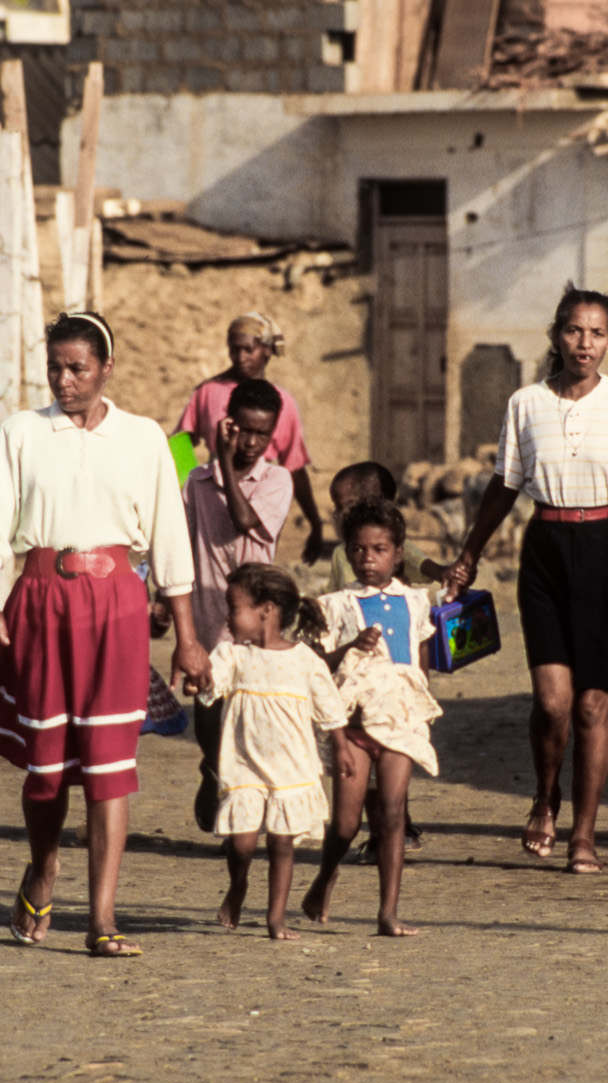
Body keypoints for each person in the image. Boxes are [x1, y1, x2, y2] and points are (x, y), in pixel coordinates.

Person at [0, 310, 211, 957]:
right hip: (40, 603)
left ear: (106, 368)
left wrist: (186, 638)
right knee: (46, 771)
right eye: (55, 367)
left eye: (77, 367)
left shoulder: (143, 437)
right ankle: (43, 867)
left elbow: (170, 540)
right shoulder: (21, 433)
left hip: (118, 610)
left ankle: (102, 917)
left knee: (109, 767)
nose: (64, 379)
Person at [441, 287, 608, 875]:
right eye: (576, 331)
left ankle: (585, 833)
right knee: (552, 704)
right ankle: (545, 797)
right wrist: (469, 552)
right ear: (557, 335)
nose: (585, 344)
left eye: (598, 333)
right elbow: (506, 484)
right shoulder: (526, 402)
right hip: (545, 549)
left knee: (593, 705)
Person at [302, 500, 441, 937]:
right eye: (359, 550)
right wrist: (350, 648)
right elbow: (319, 663)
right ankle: (325, 876)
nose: (368, 559)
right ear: (347, 552)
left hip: (400, 723)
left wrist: (422, 705)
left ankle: (388, 912)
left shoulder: (417, 601)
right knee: (345, 824)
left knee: (393, 813)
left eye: (378, 549)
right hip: (357, 724)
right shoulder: (336, 605)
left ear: (398, 553)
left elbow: (420, 659)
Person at [200, 563, 353, 941]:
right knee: (242, 842)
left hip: (291, 767)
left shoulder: (304, 660)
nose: (227, 616)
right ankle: (238, 885)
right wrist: (193, 678)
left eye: (234, 607)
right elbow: (207, 688)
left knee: (282, 844)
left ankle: (275, 917)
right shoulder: (231, 656)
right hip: (244, 765)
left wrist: (341, 746)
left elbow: (330, 707)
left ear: (266, 610)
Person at [182, 378, 295, 833]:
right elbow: (182, 545)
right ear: (226, 423)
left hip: (257, 627)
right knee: (210, 718)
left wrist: (226, 462)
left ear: (273, 436)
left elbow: (244, 520)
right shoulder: (196, 481)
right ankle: (213, 772)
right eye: (242, 430)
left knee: (253, 717)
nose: (250, 442)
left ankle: (246, 811)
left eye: (261, 435)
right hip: (208, 620)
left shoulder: (277, 480)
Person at [175, 312, 325, 564]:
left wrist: (315, 523)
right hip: (212, 491)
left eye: (248, 349)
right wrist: (192, 488)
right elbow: (180, 444)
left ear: (267, 351)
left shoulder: (282, 402)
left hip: (259, 494)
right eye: (234, 350)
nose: (240, 357)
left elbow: (295, 466)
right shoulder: (208, 392)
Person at [323, 461, 445, 592]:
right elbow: (331, 594)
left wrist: (448, 573)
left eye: (340, 507)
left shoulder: (391, 547)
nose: (335, 515)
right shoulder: (340, 553)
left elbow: (429, 569)